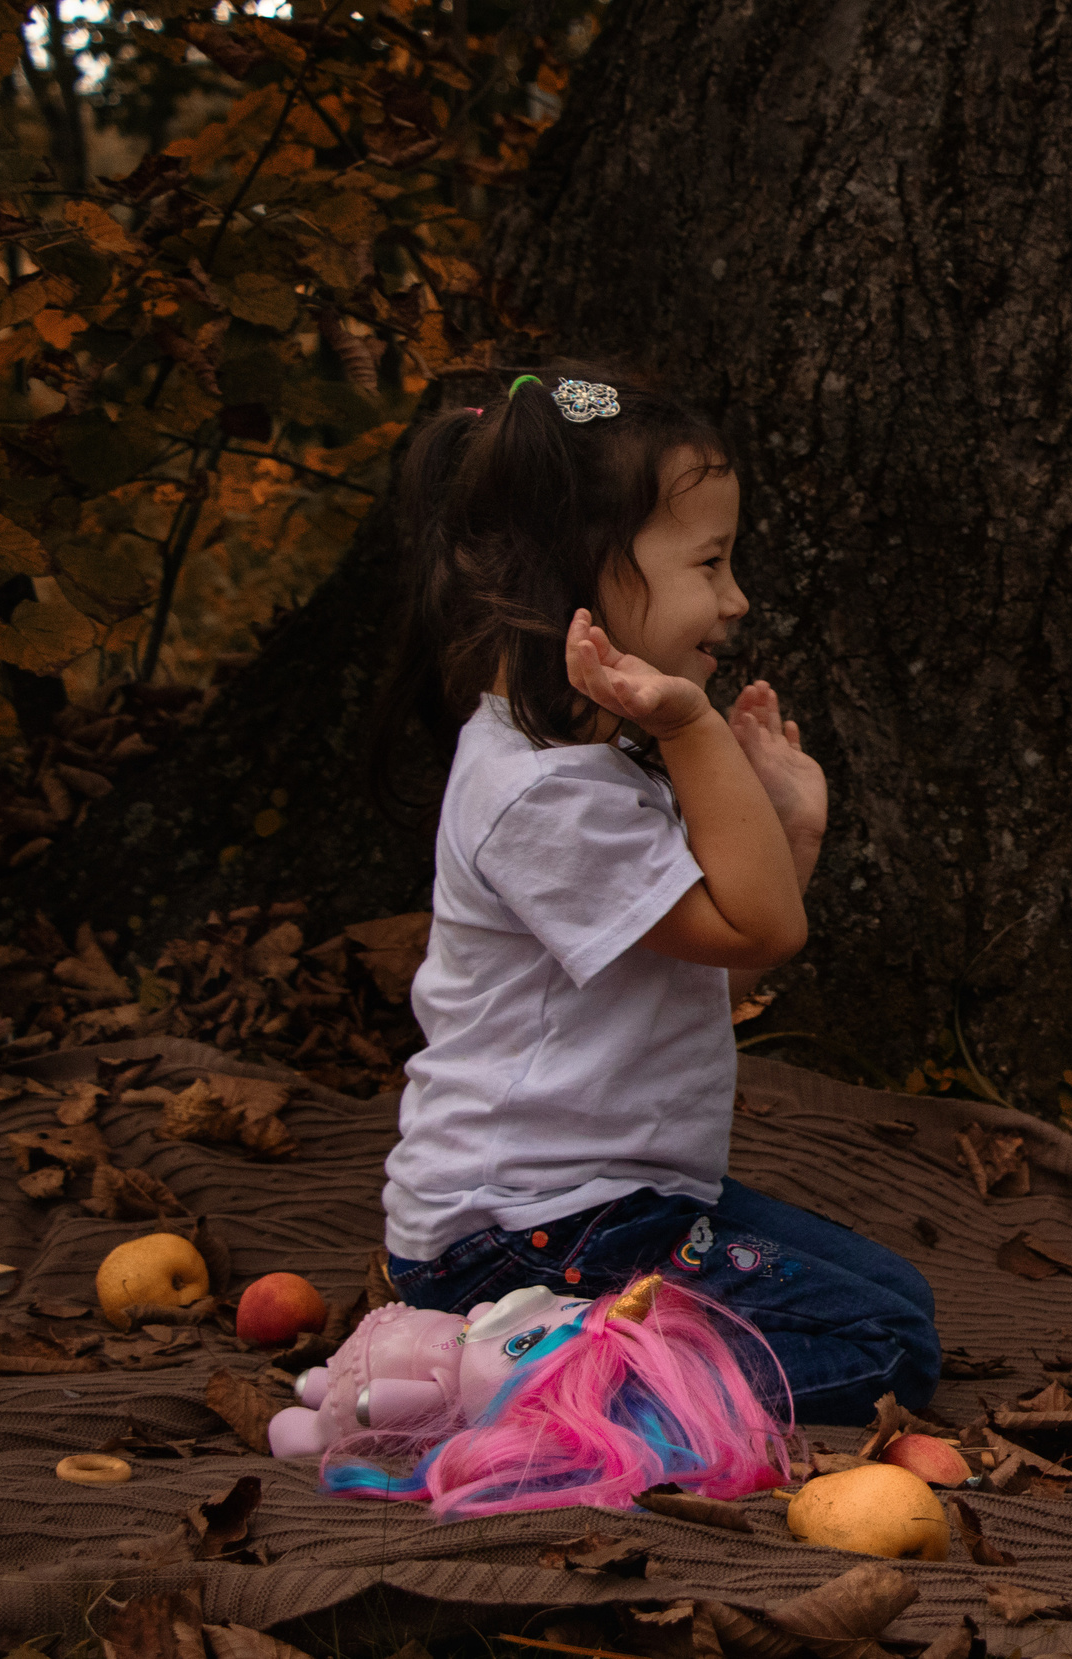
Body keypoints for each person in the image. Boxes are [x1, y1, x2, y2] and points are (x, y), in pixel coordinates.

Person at [372, 367, 939, 1425]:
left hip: (607, 1206)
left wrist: (792, 833)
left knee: (896, 1300)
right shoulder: (541, 798)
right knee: (886, 1345)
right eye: (712, 563)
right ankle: (530, 1391)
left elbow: (704, 985)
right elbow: (764, 926)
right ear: (583, 571)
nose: (737, 599)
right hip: (527, 1233)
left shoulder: (586, 767)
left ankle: (558, 1356)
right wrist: (693, 730)